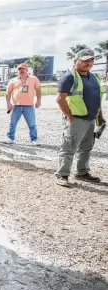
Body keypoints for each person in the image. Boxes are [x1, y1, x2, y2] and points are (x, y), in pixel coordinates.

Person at [54, 49, 105, 187]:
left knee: (86, 147)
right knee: (69, 147)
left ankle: (82, 172)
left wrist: (100, 116)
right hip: (76, 119)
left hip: (90, 119)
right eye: (84, 60)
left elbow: (96, 99)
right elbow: (60, 99)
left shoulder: (93, 77)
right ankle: (62, 175)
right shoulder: (69, 77)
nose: (88, 63)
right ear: (75, 61)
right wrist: (69, 116)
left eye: (91, 60)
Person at [5, 63, 42, 145]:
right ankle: (10, 138)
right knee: (13, 123)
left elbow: (38, 90)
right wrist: (8, 103)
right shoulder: (13, 81)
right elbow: (8, 93)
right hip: (16, 106)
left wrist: (38, 100)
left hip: (29, 106)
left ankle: (34, 140)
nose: (21, 71)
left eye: (23, 69)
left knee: (32, 124)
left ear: (27, 70)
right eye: (19, 69)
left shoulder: (34, 79)